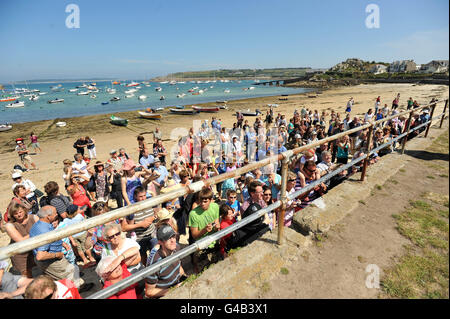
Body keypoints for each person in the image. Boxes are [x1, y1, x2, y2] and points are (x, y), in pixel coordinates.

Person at [29, 206, 84, 288]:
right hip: (52, 261)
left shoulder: (38, 225)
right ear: (48, 216)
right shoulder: (44, 231)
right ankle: (77, 291)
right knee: (71, 280)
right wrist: (57, 255)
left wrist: (62, 243)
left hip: (51, 260)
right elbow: (40, 256)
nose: (57, 214)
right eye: (55, 213)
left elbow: (50, 240)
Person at [145, 224, 185, 299]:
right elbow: (149, 292)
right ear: (160, 242)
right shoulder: (154, 264)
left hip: (177, 285)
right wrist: (173, 290)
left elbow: (179, 266)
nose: (173, 240)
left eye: (173, 236)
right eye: (168, 238)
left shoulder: (176, 248)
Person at [121, 186, 158, 266]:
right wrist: (140, 224)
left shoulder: (149, 203)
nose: (143, 198)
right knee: (143, 257)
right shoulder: (131, 209)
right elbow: (124, 228)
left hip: (152, 235)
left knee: (156, 253)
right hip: (139, 238)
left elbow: (157, 213)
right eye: (140, 196)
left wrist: (153, 217)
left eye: (144, 195)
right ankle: (146, 271)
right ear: (135, 196)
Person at [4, 201, 39, 277]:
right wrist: (36, 232)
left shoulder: (34, 217)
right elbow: (21, 240)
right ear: (12, 215)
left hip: (34, 250)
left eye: (20, 212)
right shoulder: (10, 225)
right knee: (26, 275)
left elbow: (43, 230)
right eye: (16, 214)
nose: (19, 215)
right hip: (20, 254)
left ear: (24, 210)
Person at [188, 188, 220, 273]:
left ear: (210, 200)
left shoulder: (215, 206)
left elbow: (217, 222)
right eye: (201, 201)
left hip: (215, 243)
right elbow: (194, 235)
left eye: (205, 201)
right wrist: (204, 230)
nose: (202, 204)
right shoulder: (193, 214)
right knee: (203, 274)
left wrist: (217, 227)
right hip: (202, 247)